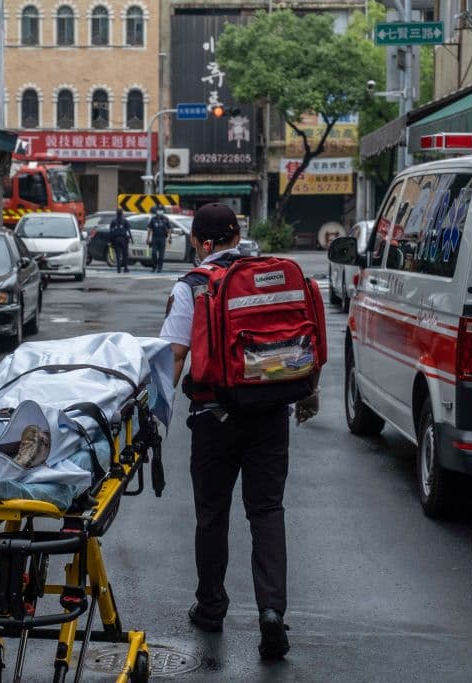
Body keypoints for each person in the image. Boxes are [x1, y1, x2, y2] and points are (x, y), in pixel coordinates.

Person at [159, 203, 316, 661]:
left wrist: (155, 415)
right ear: (236, 237)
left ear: (204, 243)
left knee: (212, 514)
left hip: (213, 417)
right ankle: (271, 613)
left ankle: (211, 607)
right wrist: (309, 392)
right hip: (270, 413)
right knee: (267, 511)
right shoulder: (273, 275)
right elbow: (299, 338)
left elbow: (174, 355)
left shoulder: (192, 285)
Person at [146, 207, 172, 273]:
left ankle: (160, 267)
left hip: (162, 238)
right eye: (159, 210)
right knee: (153, 253)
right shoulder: (153, 219)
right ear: (156, 211)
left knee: (161, 255)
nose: (160, 211)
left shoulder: (166, 219)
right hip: (154, 238)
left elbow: (169, 229)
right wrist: (148, 238)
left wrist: (169, 238)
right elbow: (149, 229)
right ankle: (154, 267)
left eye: (161, 210)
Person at [108, 208, 133, 274]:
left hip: (116, 239)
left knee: (118, 254)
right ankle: (125, 268)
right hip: (123, 239)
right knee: (125, 254)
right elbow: (128, 231)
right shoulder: (125, 221)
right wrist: (130, 238)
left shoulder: (113, 221)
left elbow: (110, 232)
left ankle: (118, 269)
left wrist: (110, 241)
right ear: (122, 213)